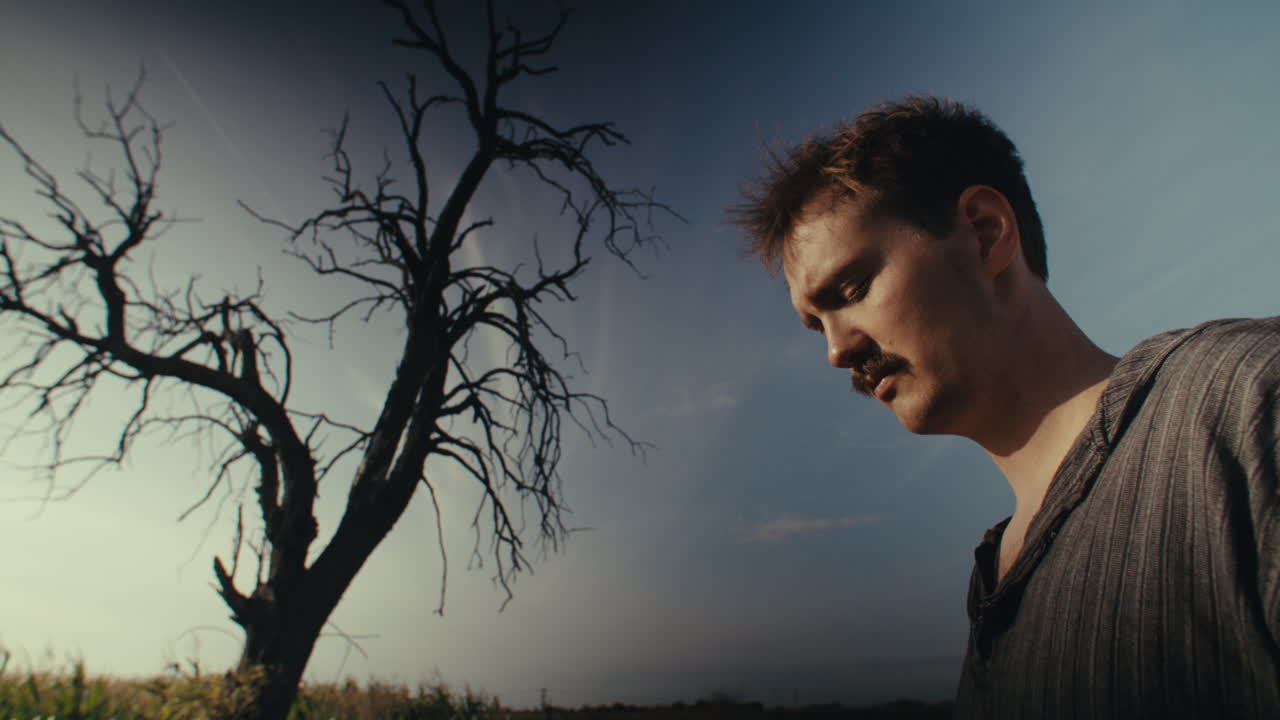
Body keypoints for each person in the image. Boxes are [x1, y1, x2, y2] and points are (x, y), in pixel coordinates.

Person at [729, 96, 1279, 719]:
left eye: (852, 290)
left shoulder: (1245, 402)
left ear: (985, 233)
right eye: (815, 325)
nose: (835, 351)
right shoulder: (991, 584)